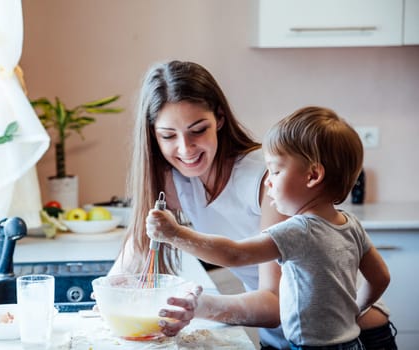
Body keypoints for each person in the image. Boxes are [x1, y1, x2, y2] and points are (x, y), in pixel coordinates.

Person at [109, 60, 398, 349]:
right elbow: (140, 244)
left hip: (357, 337)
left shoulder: (273, 183)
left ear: (219, 118)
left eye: (198, 130)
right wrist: (109, 296)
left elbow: (270, 299)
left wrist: (193, 305)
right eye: (168, 136)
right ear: (153, 135)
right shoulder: (176, 177)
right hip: (288, 339)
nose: (185, 149)